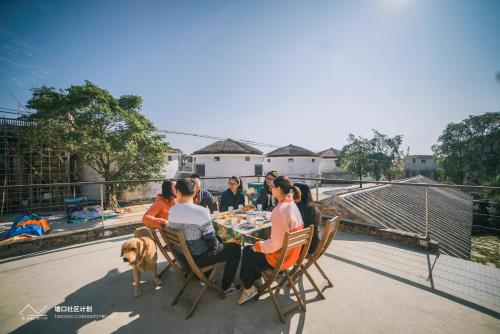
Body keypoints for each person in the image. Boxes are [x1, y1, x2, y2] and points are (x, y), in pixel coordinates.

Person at [167, 178, 241, 295]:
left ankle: (205, 277)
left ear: (178, 192)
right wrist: (219, 244)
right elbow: (211, 242)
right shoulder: (201, 211)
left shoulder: (171, 210)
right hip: (199, 258)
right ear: (195, 191)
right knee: (235, 248)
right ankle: (227, 286)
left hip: (183, 258)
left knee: (219, 240)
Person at [238, 176, 303, 304]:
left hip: (280, 259)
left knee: (247, 250)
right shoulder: (292, 204)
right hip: (293, 255)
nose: (271, 188)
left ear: (278, 189)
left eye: (273, 187)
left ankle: (248, 288)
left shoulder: (279, 210)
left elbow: (274, 245)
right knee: (256, 246)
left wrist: (258, 246)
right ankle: (256, 278)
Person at [293, 182, 321, 254]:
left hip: (305, 247)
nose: (292, 194)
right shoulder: (313, 205)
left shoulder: (301, 207)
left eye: (294, 192)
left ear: (300, 193)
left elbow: (298, 230)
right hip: (314, 243)